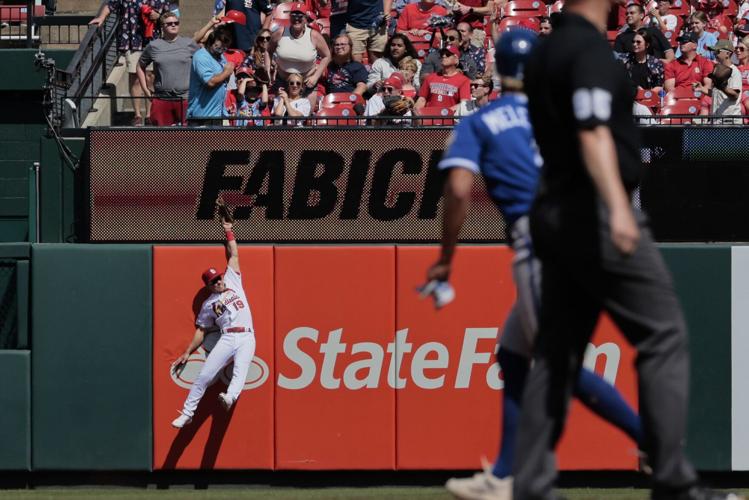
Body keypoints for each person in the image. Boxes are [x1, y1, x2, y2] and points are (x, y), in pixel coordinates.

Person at [517, 0, 743, 496]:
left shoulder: (543, 53)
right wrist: (619, 206)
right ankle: (672, 480)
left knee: (557, 354)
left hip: (552, 209)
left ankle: (529, 484)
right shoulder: (591, 53)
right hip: (597, 209)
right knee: (663, 336)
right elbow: (593, 131)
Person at [430, 28, 643, 500]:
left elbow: (460, 189)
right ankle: (506, 473)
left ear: (498, 69)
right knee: (513, 353)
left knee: (556, 363)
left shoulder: (481, 121)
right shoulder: (562, 115)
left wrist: (446, 258)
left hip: (541, 243)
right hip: (588, 236)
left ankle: (653, 441)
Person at [171, 217, 256, 428]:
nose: (219, 281)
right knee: (205, 375)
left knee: (240, 371)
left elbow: (234, 253)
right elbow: (201, 330)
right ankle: (187, 413)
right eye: (214, 281)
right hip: (227, 336)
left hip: (247, 335)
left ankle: (230, 397)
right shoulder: (209, 304)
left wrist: (228, 231)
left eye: (219, 278)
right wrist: (188, 351)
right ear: (209, 285)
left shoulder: (233, 281)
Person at [89, 0, 169, 126]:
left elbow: (168, 15)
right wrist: (101, 17)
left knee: (151, 77)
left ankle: (149, 115)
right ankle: (137, 115)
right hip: (131, 40)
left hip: (152, 41)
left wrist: (158, 16)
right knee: (135, 76)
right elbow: (110, 5)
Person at [137, 11, 199, 126]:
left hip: (185, 99)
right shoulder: (154, 45)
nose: (173, 25)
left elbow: (203, 63)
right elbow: (140, 66)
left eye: (176, 23)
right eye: (169, 23)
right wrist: (146, 90)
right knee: (162, 138)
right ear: (162, 27)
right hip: (162, 99)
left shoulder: (189, 44)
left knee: (189, 138)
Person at [270, 2, 331, 109]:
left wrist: (316, 76)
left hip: (307, 82)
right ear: (289, 17)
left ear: (306, 18)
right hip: (283, 81)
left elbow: (327, 56)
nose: (296, 18)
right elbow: (268, 50)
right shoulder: (280, 32)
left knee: (305, 119)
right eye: (293, 15)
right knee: (279, 117)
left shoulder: (314, 35)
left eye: (300, 16)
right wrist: (270, 67)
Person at [187, 30, 235, 125]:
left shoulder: (221, 57)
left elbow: (225, 81)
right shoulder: (201, 56)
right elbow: (210, 82)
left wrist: (227, 74)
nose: (222, 49)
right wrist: (227, 72)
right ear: (211, 42)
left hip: (219, 114)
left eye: (225, 47)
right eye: (219, 46)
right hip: (202, 116)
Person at [414, 44, 471, 112]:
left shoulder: (463, 80)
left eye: (447, 54)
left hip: (449, 119)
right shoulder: (430, 77)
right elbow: (422, 99)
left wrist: (445, 112)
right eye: (442, 55)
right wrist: (416, 113)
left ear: (456, 59)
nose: (444, 56)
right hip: (429, 118)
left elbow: (464, 104)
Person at [706, 40, 743, 124]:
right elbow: (716, 93)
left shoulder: (734, 71)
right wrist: (701, 89)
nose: (715, 53)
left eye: (718, 51)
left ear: (728, 54)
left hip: (729, 121)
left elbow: (735, 95)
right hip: (717, 120)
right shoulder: (718, 70)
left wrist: (722, 87)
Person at [623, 29, 665, 94]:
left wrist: (645, 93)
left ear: (647, 45)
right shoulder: (625, 60)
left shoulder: (656, 63)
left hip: (649, 99)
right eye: (633, 41)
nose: (634, 44)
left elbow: (659, 86)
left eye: (638, 42)